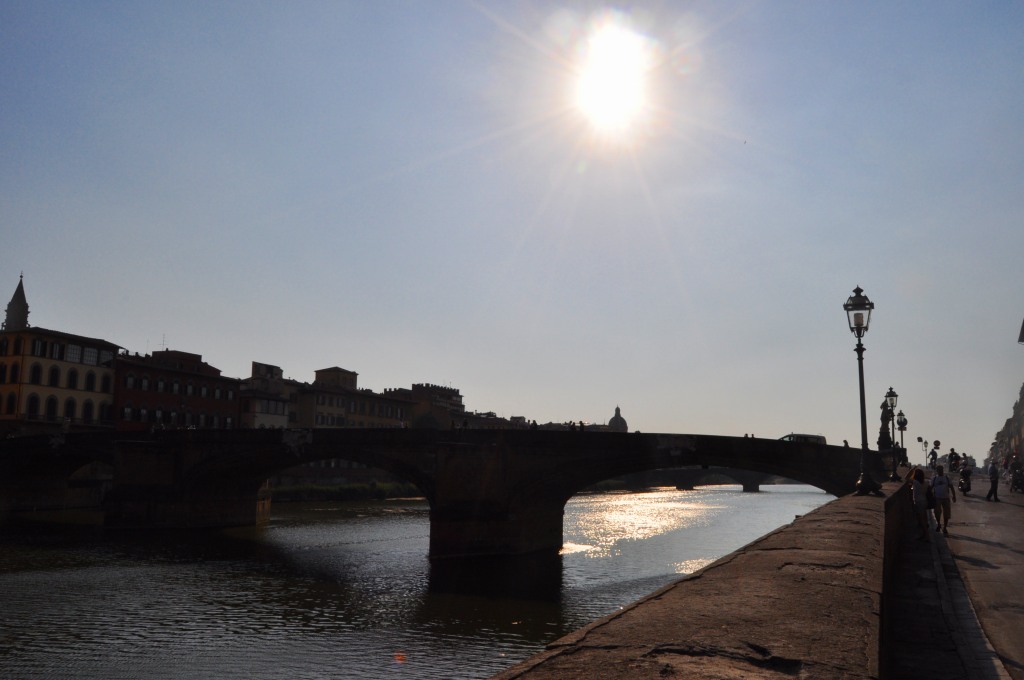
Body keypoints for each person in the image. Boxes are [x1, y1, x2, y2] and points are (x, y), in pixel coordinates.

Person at [930, 465, 956, 535]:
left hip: (946, 498)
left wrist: (954, 496)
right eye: (938, 469)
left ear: (943, 470)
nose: (940, 471)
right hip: (937, 498)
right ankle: (938, 524)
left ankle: (944, 527)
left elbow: (951, 487)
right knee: (937, 513)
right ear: (937, 470)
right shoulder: (934, 479)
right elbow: (930, 488)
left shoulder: (947, 478)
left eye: (941, 469)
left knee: (946, 514)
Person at [908, 468, 931, 541]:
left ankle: (927, 536)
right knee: (923, 519)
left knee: (921, 520)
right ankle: (923, 535)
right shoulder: (926, 482)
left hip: (918, 502)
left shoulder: (915, 482)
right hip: (924, 501)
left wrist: (912, 470)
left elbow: (906, 478)